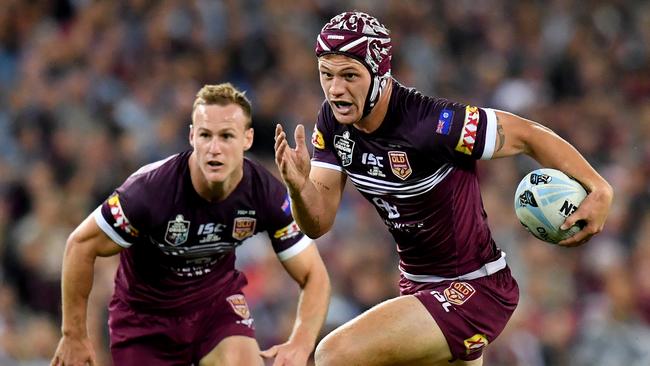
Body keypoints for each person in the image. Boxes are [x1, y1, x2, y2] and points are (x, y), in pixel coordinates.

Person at [274, 11, 613, 366]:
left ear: (379, 75)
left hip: (475, 288)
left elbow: (527, 135)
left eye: (349, 76)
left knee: (333, 354)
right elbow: (317, 222)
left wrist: (599, 188)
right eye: (326, 75)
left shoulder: (432, 123)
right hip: (418, 290)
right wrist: (298, 187)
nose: (335, 89)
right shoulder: (333, 122)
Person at [51, 83, 331, 366]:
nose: (214, 148)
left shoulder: (264, 192)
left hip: (216, 308)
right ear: (191, 137)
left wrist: (301, 342)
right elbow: (80, 245)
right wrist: (73, 334)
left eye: (226, 136)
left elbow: (313, 274)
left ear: (247, 139)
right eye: (205, 135)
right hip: (146, 321)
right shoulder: (149, 192)